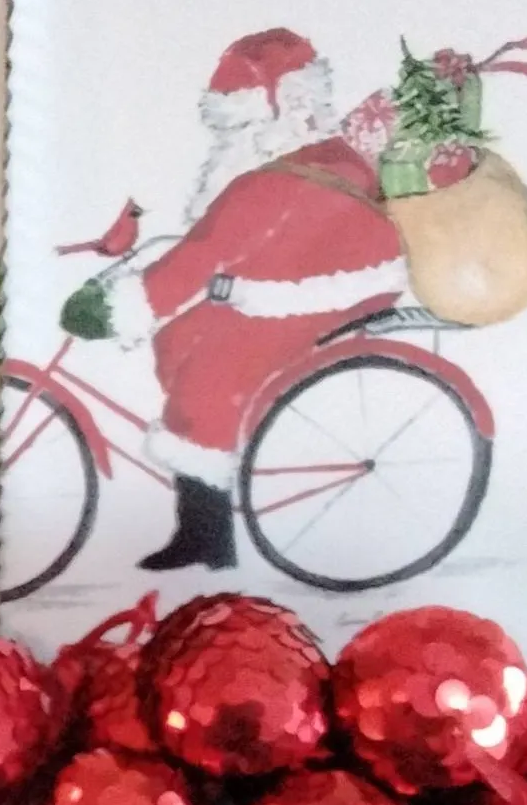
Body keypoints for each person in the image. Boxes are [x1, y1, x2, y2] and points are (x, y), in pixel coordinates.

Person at [135, 28, 407, 571]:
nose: (230, 138)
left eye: (239, 124)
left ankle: (210, 538)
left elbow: (205, 253)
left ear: (277, 111)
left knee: (207, 381)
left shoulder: (268, 179)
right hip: (299, 287)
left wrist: (129, 303)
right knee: (178, 340)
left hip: (309, 298)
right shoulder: (315, 153)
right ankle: (202, 523)